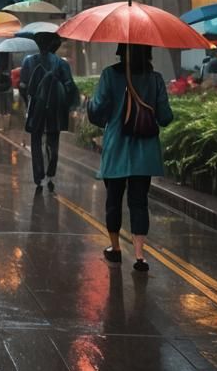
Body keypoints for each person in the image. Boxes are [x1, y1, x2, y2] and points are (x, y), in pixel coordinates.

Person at [87, 43, 173, 272]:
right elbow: (165, 117)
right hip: (145, 152)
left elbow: (97, 112)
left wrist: (89, 104)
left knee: (113, 200)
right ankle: (139, 255)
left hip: (116, 149)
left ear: (120, 52)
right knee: (139, 202)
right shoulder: (155, 78)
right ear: (148, 52)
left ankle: (114, 249)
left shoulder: (109, 75)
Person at [19, 33, 78, 191]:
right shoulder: (61, 64)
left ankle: (38, 176)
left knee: (36, 142)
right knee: (53, 141)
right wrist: (69, 106)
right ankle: (51, 173)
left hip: (35, 108)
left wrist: (28, 103)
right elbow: (70, 86)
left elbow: (23, 86)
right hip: (55, 111)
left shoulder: (28, 61)